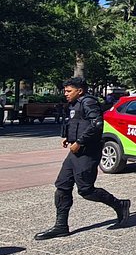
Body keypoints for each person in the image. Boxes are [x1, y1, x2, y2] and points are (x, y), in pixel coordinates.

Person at [35, 77, 130, 241]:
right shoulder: (75, 103)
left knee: (86, 190)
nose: (65, 93)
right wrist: (66, 136)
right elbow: (74, 122)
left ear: (80, 90)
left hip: (87, 152)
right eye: (65, 90)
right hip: (75, 153)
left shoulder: (88, 102)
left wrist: (79, 142)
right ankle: (61, 226)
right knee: (62, 186)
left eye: (69, 90)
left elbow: (97, 124)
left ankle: (120, 205)